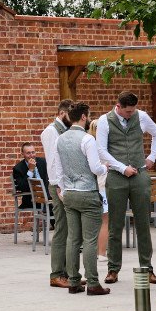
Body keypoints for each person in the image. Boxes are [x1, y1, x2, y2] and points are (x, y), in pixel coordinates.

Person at [93, 91, 156, 285]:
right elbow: (101, 150)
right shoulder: (105, 121)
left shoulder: (141, 116)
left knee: (143, 223)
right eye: (127, 111)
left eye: (133, 111)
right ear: (119, 106)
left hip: (140, 174)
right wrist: (122, 168)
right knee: (115, 224)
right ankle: (113, 269)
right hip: (116, 176)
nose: (130, 114)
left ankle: (147, 268)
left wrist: (152, 157)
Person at [55, 101, 109, 294]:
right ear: (84, 117)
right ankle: (93, 283)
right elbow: (95, 168)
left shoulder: (60, 139)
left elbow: (58, 168)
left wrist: (62, 189)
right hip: (87, 192)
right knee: (90, 240)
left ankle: (73, 281)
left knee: (72, 239)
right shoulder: (87, 139)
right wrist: (105, 167)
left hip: (69, 192)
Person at [41, 100, 73, 287]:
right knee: (62, 227)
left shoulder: (65, 131)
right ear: (62, 113)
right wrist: (59, 187)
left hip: (65, 184)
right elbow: (52, 163)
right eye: (70, 115)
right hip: (58, 184)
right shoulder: (52, 131)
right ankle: (57, 274)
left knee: (70, 228)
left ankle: (68, 273)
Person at [12, 142, 44, 209]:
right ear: (22, 154)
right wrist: (30, 170)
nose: (31, 155)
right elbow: (23, 188)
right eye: (28, 153)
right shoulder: (18, 168)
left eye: (33, 152)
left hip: (46, 195)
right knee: (54, 207)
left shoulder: (43, 162)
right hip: (31, 199)